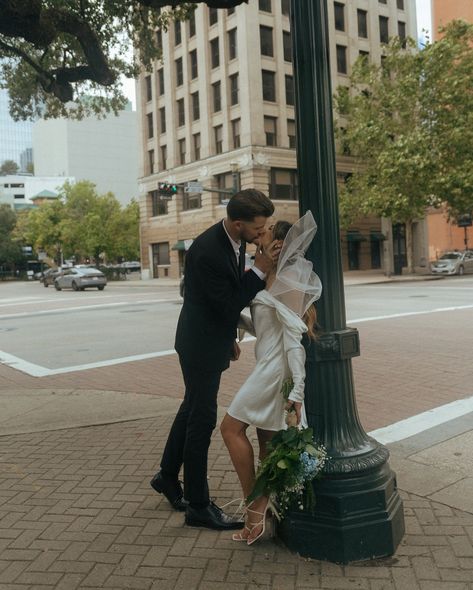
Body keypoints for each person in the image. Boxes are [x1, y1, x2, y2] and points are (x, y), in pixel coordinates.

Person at [150, 189, 281, 531]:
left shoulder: (233, 240)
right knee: (202, 422)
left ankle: (166, 477)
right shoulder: (207, 249)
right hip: (198, 345)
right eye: (257, 228)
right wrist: (261, 267)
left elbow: (222, 300)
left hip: (209, 338)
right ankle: (198, 505)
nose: (260, 233)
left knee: (190, 408)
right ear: (238, 224)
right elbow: (228, 302)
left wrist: (227, 340)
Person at [220, 211, 322, 545]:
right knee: (266, 444)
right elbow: (264, 327)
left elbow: (294, 340)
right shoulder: (269, 277)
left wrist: (298, 390)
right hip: (264, 362)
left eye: (264, 234)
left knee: (230, 427)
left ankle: (254, 510)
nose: (257, 236)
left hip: (275, 370)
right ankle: (264, 518)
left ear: (278, 243)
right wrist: (229, 316)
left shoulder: (289, 280)